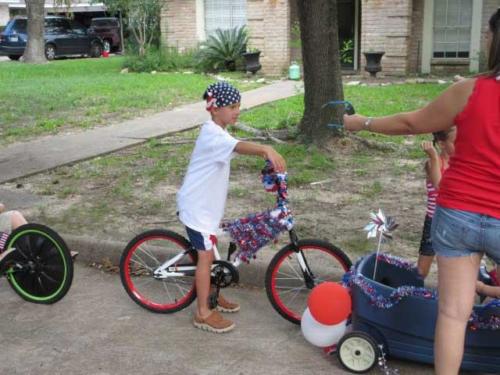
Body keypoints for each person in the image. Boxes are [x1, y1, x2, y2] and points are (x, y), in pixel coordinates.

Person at [344, 9, 500, 374]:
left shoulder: (470, 90)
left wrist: (362, 122)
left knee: (452, 314)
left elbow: (411, 122)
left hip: (456, 213)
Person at [177, 81, 286, 333]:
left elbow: (234, 143)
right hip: (196, 209)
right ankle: (202, 312)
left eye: (239, 106)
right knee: (205, 257)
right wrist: (265, 149)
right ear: (215, 109)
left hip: (206, 209)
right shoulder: (211, 135)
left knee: (213, 252)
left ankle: (211, 296)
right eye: (232, 106)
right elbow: (239, 147)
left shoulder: (220, 132)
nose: (237, 111)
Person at [417, 128, 456, 278]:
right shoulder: (433, 163)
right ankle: (412, 294)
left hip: (454, 220)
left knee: (451, 266)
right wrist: (433, 156)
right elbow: (439, 185)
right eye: (455, 141)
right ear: (441, 143)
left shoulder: (460, 165)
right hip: (434, 220)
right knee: (421, 270)